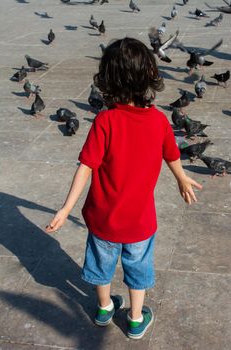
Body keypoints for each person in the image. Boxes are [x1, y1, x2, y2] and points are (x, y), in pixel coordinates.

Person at [45, 37, 202, 340]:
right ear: (150, 76)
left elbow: (86, 167)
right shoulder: (158, 121)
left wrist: (66, 208)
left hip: (103, 219)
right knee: (138, 268)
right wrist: (181, 178)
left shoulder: (105, 121)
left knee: (101, 264)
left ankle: (104, 308)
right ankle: (135, 317)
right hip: (140, 222)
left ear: (107, 79)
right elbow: (171, 153)